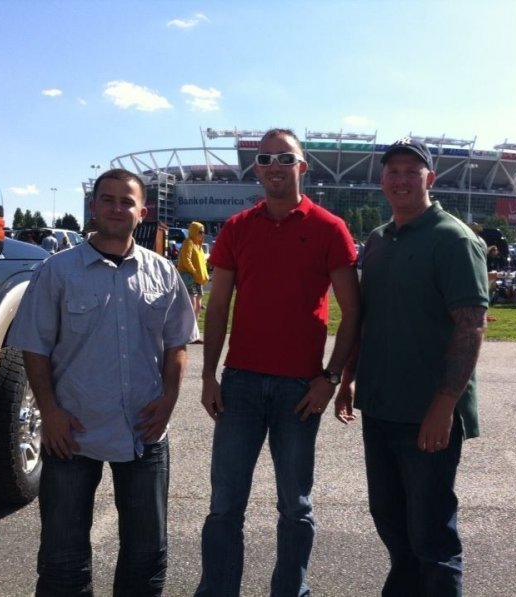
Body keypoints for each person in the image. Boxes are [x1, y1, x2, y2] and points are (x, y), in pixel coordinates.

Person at [8, 168, 199, 596]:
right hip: (71, 431)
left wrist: (169, 398)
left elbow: (177, 343)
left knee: (147, 555)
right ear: (93, 207)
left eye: (126, 201)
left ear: (143, 212)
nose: (116, 208)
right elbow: (34, 348)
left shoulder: (163, 273)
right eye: (107, 200)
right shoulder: (57, 272)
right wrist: (49, 412)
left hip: (144, 432)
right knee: (63, 560)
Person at [194, 128, 360, 597]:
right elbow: (217, 307)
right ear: (257, 168)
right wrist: (208, 375)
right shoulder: (237, 228)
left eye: (285, 158)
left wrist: (331, 378)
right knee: (225, 505)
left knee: (296, 506)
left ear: (302, 167)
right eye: (266, 159)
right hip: (241, 383)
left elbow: (353, 312)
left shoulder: (329, 228)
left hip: (299, 389)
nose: (274, 166)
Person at [335, 138, 488, 596]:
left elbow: (471, 326)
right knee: (391, 522)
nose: (401, 179)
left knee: (431, 535)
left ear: (430, 179)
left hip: (427, 413)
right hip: (381, 406)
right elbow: (367, 316)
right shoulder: (379, 240)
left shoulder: (454, 239)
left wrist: (444, 405)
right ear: (382, 180)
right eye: (393, 171)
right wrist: (348, 378)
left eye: (411, 171)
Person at [177, 221, 210, 343]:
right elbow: (186, 259)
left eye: (203, 232)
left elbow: (202, 263)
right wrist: (194, 271)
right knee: (192, 306)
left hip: (197, 280)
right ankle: (186, 333)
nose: (202, 234)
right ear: (194, 231)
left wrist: (203, 275)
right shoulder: (188, 242)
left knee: (198, 307)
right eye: (200, 232)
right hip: (189, 278)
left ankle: (194, 335)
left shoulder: (199, 246)